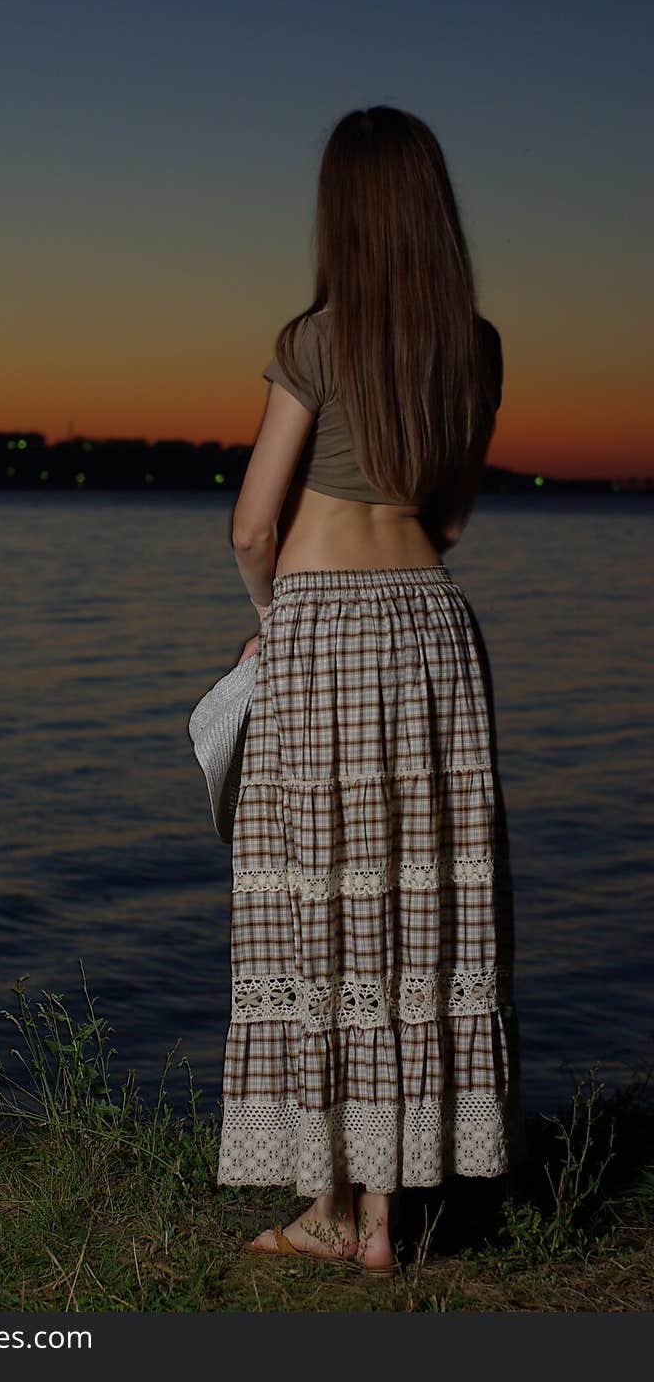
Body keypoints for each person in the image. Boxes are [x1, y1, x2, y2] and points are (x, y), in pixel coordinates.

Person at [218, 105, 524, 1269]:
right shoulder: (473, 347)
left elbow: (253, 524)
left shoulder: (312, 338)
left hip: (323, 629)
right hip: (435, 634)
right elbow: (446, 518)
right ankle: (388, 1223)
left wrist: (271, 627)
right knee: (412, 915)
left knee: (319, 908)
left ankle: (328, 1209)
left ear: (341, 210)